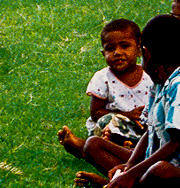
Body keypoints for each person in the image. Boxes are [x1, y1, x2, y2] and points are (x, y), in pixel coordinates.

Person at [78, 14, 180, 188]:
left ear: (146, 53)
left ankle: (122, 187)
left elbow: (175, 144)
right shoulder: (159, 83)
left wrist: (131, 174)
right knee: (93, 144)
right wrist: (130, 166)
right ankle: (126, 183)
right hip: (154, 159)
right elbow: (149, 131)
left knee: (160, 171)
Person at [58, 19, 153, 158]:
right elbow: (96, 112)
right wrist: (127, 115)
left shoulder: (149, 75)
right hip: (111, 127)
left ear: (139, 50)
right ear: (103, 53)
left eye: (125, 46)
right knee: (107, 122)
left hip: (141, 129)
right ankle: (88, 147)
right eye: (110, 48)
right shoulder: (103, 78)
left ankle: (121, 150)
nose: (117, 53)